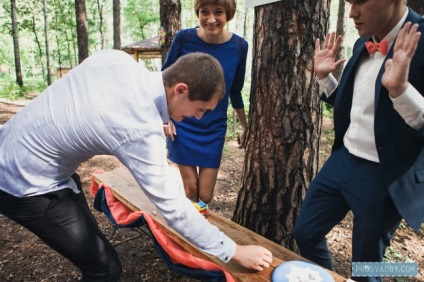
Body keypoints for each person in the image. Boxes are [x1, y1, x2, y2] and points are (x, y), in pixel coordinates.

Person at [0, 50, 272, 281]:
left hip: (13, 147)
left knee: (97, 255)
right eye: (200, 109)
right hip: (23, 181)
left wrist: (158, 120)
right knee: (104, 269)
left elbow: (101, 104)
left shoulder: (117, 59)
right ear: (180, 90)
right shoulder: (141, 129)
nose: (197, 118)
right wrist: (233, 250)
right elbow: (174, 209)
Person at [294, 1, 424, 281]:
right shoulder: (363, 43)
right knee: (304, 232)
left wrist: (401, 91)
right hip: (343, 160)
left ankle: (404, 273)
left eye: (361, 1)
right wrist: (324, 79)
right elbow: (357, 105)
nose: (352, 12)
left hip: (384, 176)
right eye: (350, 2)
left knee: (366, 268)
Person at [162, 0, 248, 209]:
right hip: (183, 123)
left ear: (228, 13)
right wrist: (165, 118)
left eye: (218, 12)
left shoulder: (239, 46)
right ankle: (190, 232)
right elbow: (165, 80)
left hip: (214, 128)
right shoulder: (184, 38)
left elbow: (235, 90)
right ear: (198, 13)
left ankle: (195, 220)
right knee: (190, 189)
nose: (210, 19)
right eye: (204, 12)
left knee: (206, 195)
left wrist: (245, 126)